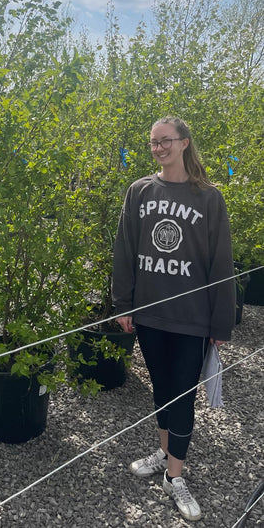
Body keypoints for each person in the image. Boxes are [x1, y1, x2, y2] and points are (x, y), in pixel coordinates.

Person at [112, 117, 236, 522]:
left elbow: (221, 264)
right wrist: (124, 304)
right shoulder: (140, 191)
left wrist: (221, 325)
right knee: (163, 390)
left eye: (165, 141)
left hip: (191, 319)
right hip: (150, 315)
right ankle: (165, 453)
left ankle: (174, 477)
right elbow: (125, 249)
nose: (158, 148)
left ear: (184, 143)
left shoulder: (209, 198)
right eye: (152, 143)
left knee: (182, 396)